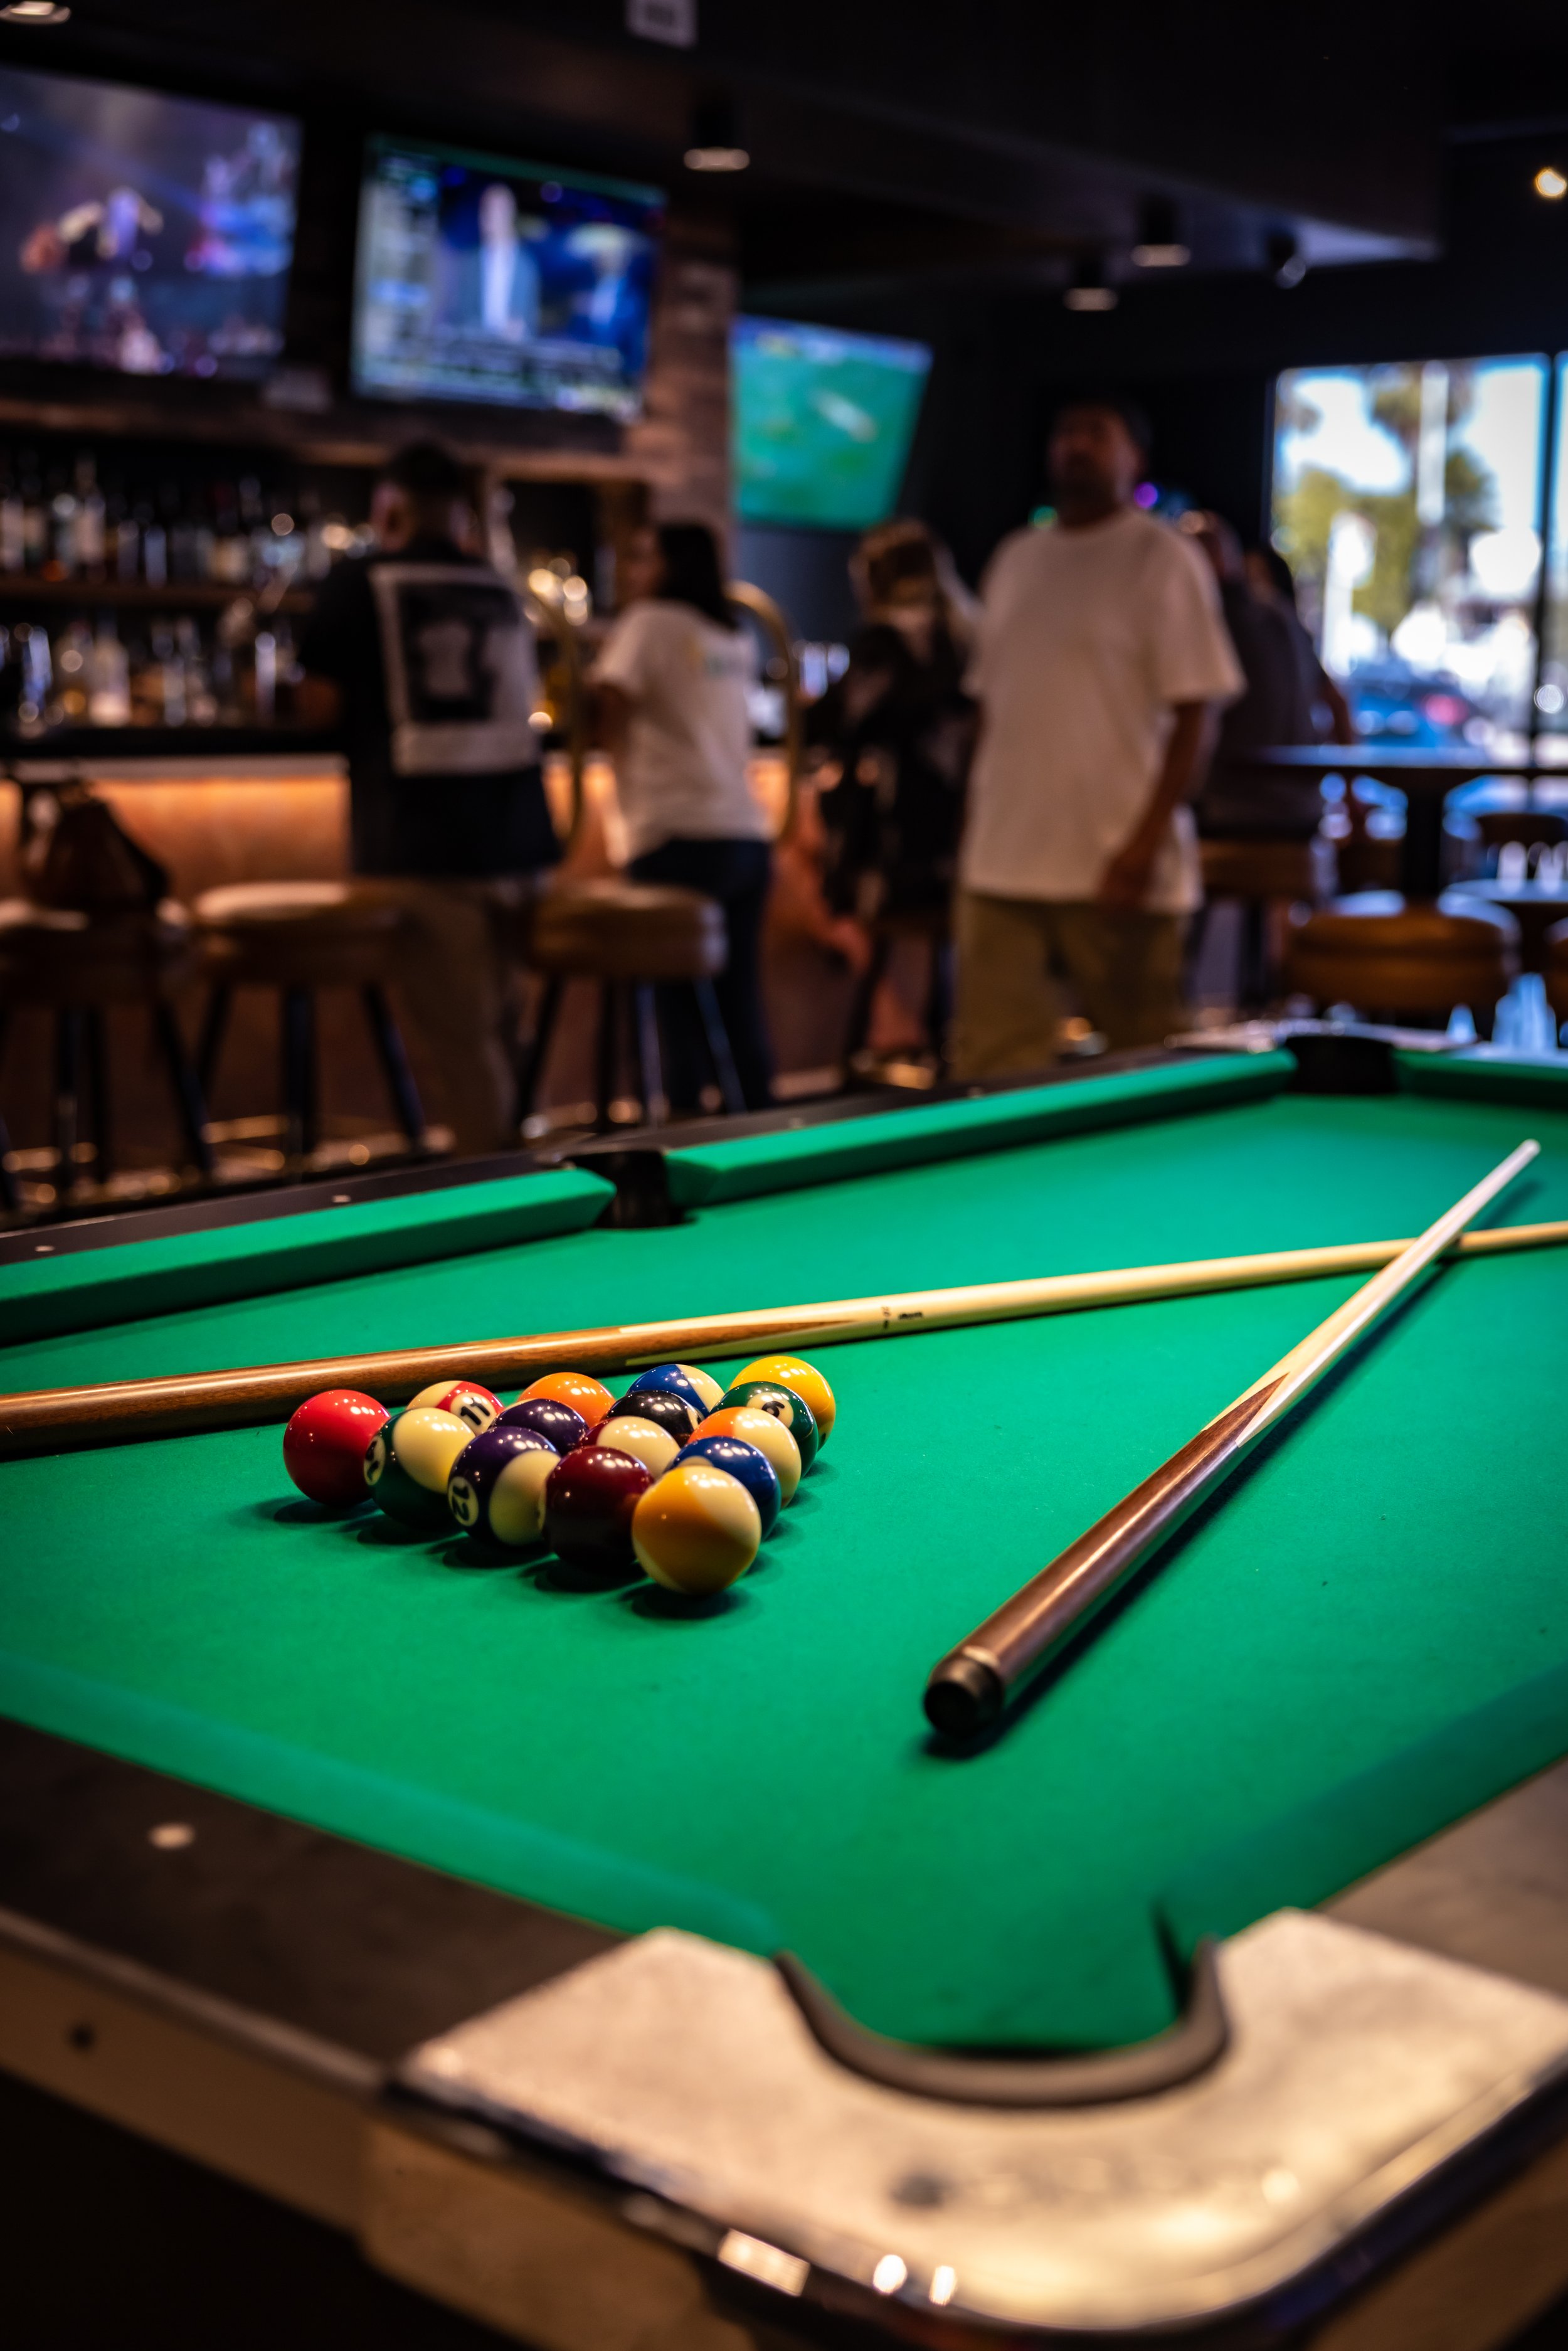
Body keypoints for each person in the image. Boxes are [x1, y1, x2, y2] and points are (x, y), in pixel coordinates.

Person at [950, 397, 1242, 1075]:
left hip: (1119, 863)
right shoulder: (1015, 558)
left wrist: (1143, 845)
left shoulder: (1161, 557)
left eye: (1095, 433)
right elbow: (991, 710)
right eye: (1064, 432)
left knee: (1145, 1065)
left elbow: (1197, 715)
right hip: (1002, 863)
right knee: (992, 1069)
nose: (1075, 445)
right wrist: (973, 825)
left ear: (1132, 458)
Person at [297, 439, 558, 1154]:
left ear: (392, 505)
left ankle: (511, 1216)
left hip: (422, 838)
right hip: (521, 834)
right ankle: (540, 1185)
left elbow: (319, 705)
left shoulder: (360, 581)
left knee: (463, 1043)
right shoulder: (502, 583)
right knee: (506, 1034)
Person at [591, 521, 774, 1110]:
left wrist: (611, 760)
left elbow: (607, 704)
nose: (635, 572)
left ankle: (682, 1135)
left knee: (678, 1007)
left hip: (675, 834)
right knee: (737, 997)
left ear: (670, 565)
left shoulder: (647, 624)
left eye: (645, 558)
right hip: (747, 837)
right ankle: (759, 1133)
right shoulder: (734, 633)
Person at [1185, 513, 1355, 836]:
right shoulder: (1284, 615)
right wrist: (1351, 798)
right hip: (1305, 812)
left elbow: (1190, 718)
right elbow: (1338, 701)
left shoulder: (1213, 620)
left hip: (1233, 813)